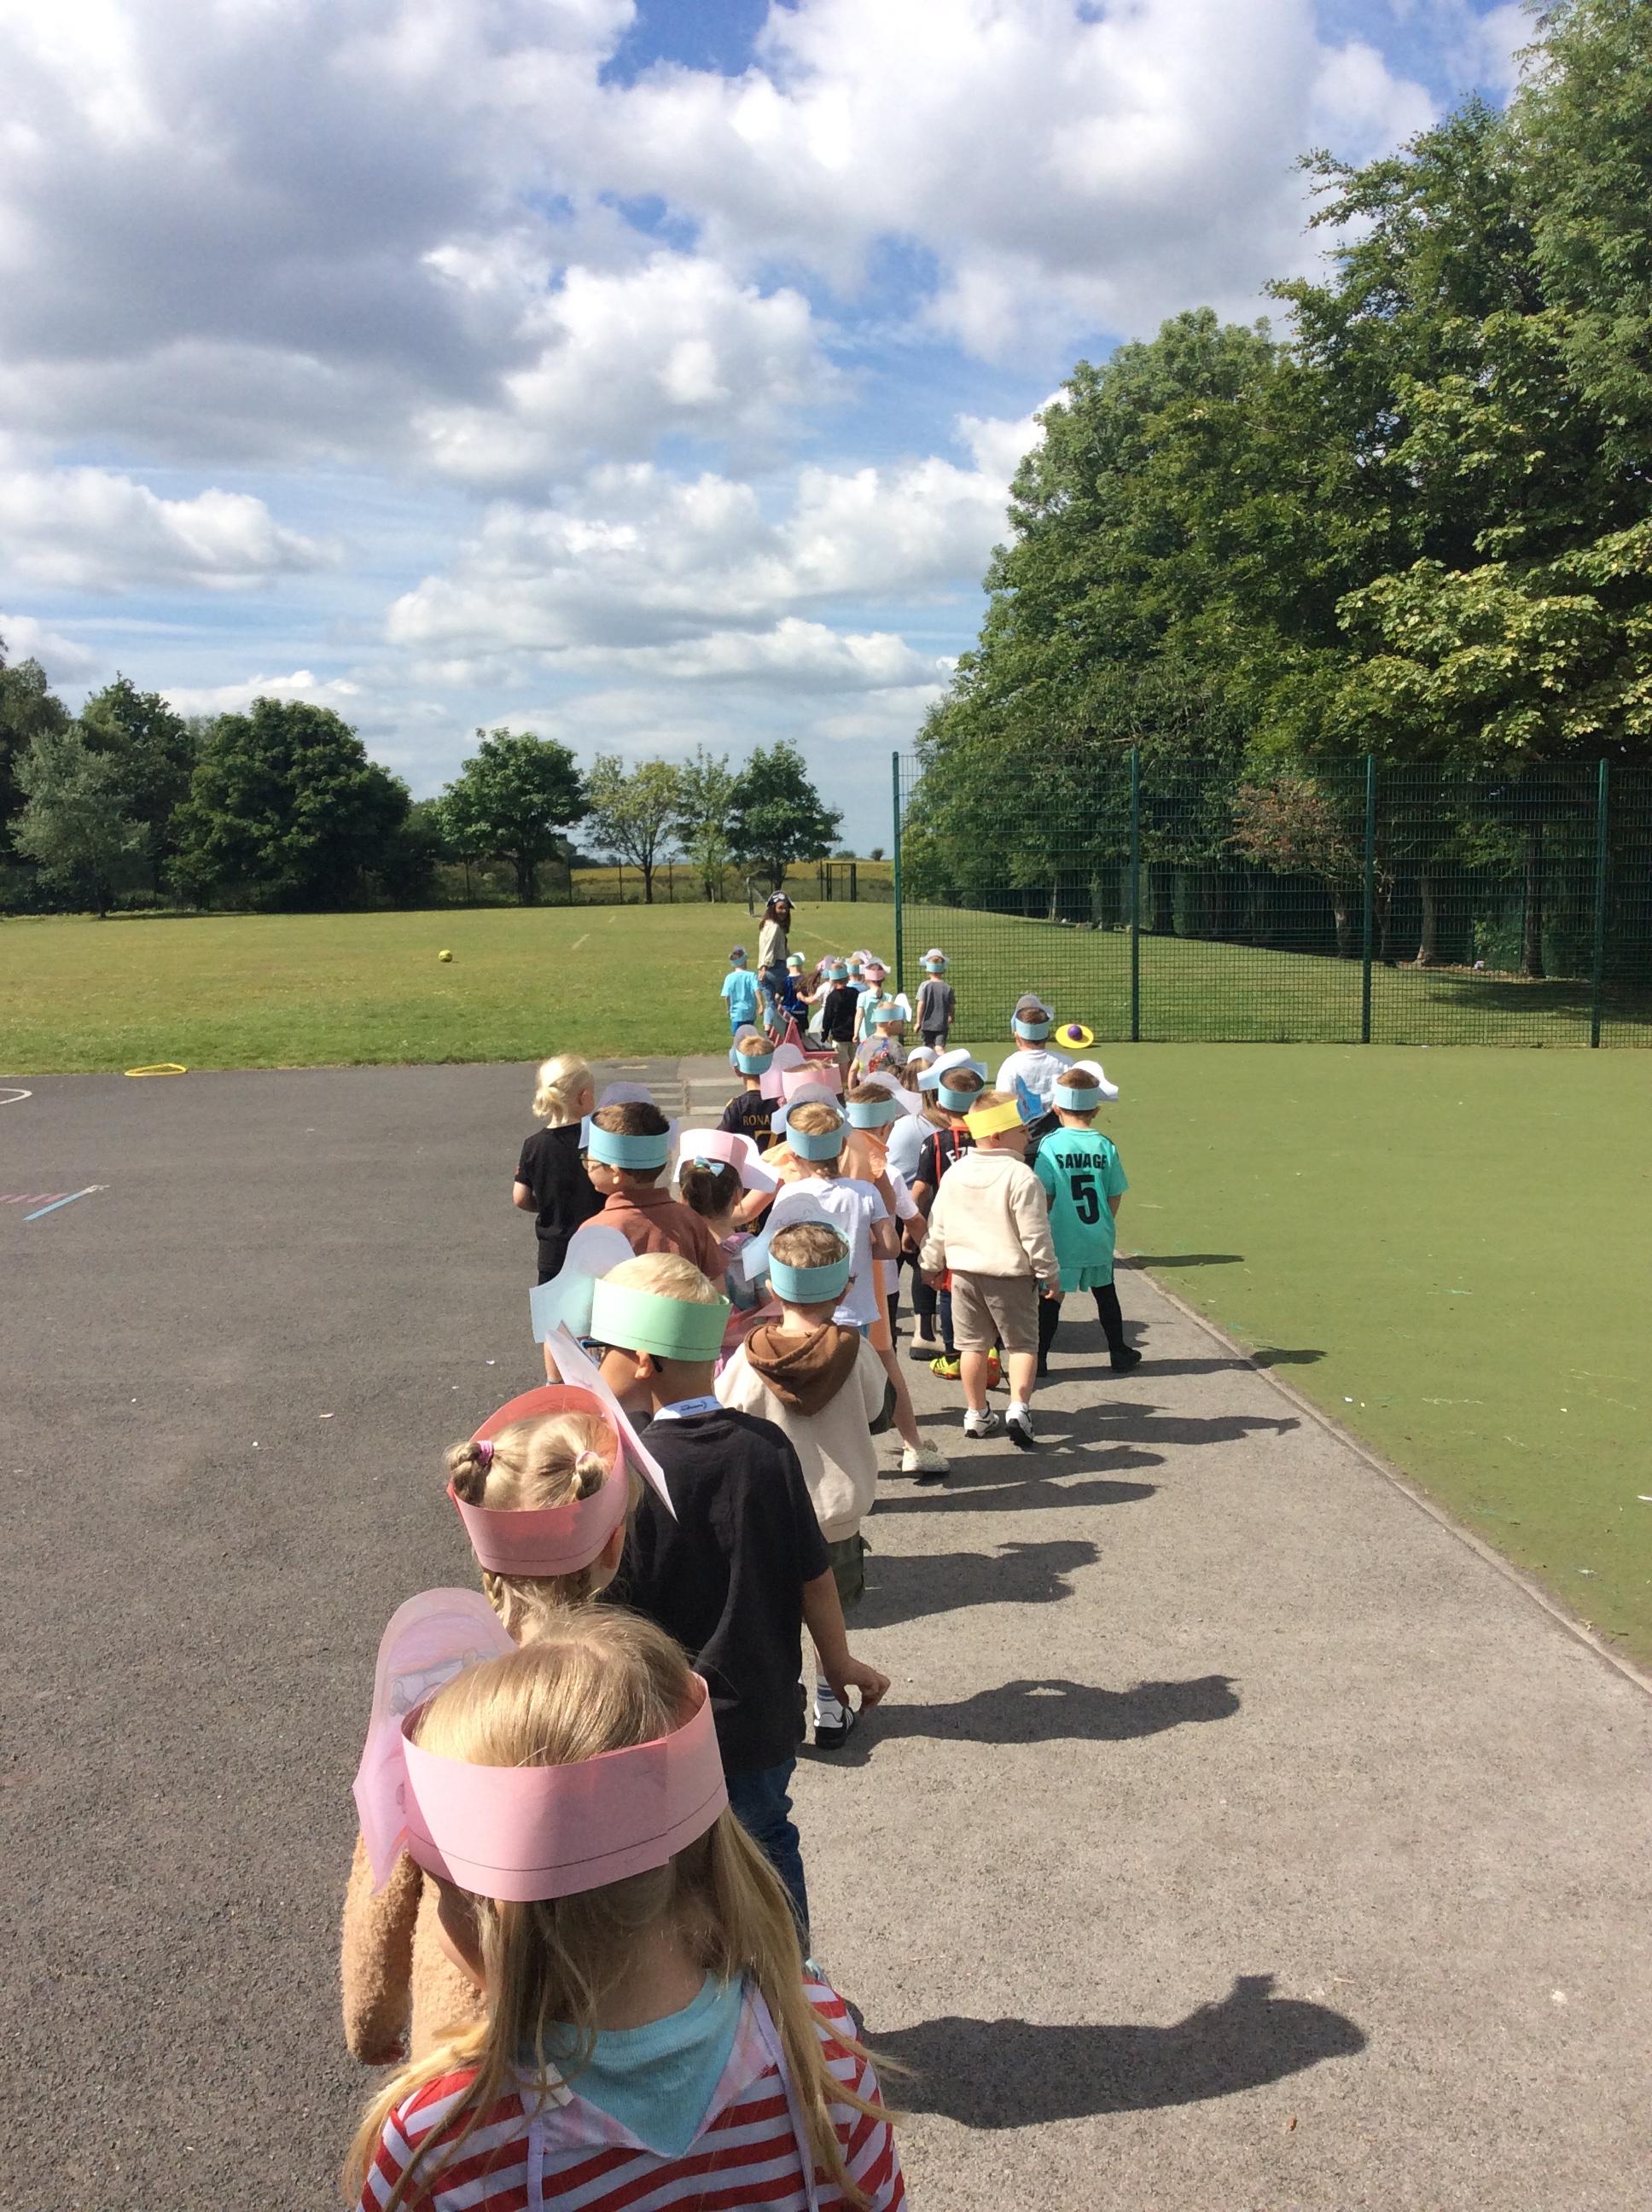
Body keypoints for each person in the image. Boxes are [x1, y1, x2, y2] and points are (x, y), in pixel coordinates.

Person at [346, 1612, 905, 2212]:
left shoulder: (441, 2152)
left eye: (441, 1893)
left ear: (487, 1919)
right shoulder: (817, 2044)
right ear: (702, 1855)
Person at [340, 1394, 639, 2068]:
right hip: (615, 2027)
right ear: (613, 1545)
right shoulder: (636, 1691)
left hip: (466, 2038)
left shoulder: (431, 1694)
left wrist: (372, 2015)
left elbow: (384, 1871)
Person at [597, 1254, 889, 1937]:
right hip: (760, 1711)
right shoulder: (765, 1448)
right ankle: (795, 1976)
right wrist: (838, 1662)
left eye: (601, 1349)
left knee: (674, 1863)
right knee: (768, 1839)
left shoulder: (627, 1473)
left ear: (641, 1361)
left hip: (663, 1718)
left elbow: (607, 1609)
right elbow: (814, 1575)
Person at [717, 1219, 893, 1751]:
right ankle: (830, 1705)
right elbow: (878, 1412)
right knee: (829, 1615)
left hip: (767, 1515)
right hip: (836, 1513)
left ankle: (781, 1701)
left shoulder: (748, 1359)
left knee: (775, 1617)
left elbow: (726, 1417)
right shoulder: (855, 1352)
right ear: (845, 1287)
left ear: (772, 1286)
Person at [765, 1098, 947, 1481]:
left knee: (809, 1391)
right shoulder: (864, 1193)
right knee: (853, 1392)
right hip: (855, 1309)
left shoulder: (789, 1195)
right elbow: (890, 1248)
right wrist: (859, 1251)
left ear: (795, 1154)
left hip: (802, 1311)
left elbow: (773, 1249)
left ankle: (811, 1470)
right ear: (842, 1146)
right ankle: (866, 1465)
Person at [920, 1088, 1060, 1452]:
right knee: (1023, 1344)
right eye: (1021, 1130)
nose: (1027, 1136)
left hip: (964, 1274)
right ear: (997, 1135)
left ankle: (976, 1412)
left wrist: (930, 1264)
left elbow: (938, 1225)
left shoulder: (956, 1173)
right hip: (1011, 1274)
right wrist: (1048, 1272)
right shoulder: (1021, 1176)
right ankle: (1019, 1407)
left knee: (971, 1346)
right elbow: (1035, 1233)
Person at [1033, 1061, 1142, 1376]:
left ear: (1056, 1108)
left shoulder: (1050, 1145)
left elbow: (1044, 1193)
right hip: (1097, 1234)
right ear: (1096, 1110)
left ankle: (1039, 1358)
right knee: (1106, 1292)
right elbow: (1115, 1192)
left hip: (1062, 1235)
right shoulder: (1104, 1145)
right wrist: (1106, 1222)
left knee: (1052, 1295)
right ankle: (1118, 1351)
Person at [588, 1100, 727, 1284]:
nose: (586, 1166)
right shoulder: (690, 1220)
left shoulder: (595, 1230)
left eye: (589, 1161)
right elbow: (718, 1287)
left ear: (615, 1173)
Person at [910, 1054, 986, 1380]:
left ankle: (954, 1352)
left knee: (949, 1288)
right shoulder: (991, 1139)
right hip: (988, 1224)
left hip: (950, 1227)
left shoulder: (935, 1142)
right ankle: (989, 1350)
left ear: (940, 1106)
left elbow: (921, 1189)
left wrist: (910, 1226)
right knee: (986, 1288)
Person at [512, 1054, 602, 1284]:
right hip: (597, 1244)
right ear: (584, 1096)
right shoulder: (598, 1141)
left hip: (553, 1251)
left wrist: (547, 1205)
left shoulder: (533, 1145)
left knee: (554, 1307)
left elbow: (520, 1198)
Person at [996, 993, 1073, 1156]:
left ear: (1017, 1035)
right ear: (1047, 1034)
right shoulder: (1066, 1062)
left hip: (1025, 1143)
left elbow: (1003, 1104)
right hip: (1060, 1143)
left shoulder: (1011, 1065)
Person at [718, 1028, 779, 1150]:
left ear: (738, 1070)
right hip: (778, 1162)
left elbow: (719, 1141)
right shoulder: (782, 1104)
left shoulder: (737, 1107)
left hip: (747, 1162)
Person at [757, 891, 794, 1027]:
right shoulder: (775, 927)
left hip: (765, 972)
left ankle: (768, 1029)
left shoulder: (766, 924)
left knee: (770, 1003)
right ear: (773, 908)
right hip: (775, 968)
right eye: (780, 908)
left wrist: (762, 968)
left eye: (786, 908)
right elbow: (769, 947)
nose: (784, 911)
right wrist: (764, 966)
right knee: (791, 993)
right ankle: (788, 1028)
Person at [818, 959, 861, 1078]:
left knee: (842, 1064)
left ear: (832, 980)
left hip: (839, 1037)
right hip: (853, 1035)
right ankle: (853, 1083)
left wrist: (824, 1035)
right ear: (847, 977)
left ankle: (844, 1084)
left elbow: (828, 1018)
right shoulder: (855, 993)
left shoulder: (832, 997)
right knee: (854, 1063)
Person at [852, 997, 910, 1083]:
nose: (903, 1024)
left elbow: (852, 1071)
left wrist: (853, 1090)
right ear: (891, 1024)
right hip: (886, 1090)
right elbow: (905, 1075)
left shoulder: (864, 1044)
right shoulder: (895, 1046)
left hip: (864, 1089)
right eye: (901, 1021)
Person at [915, 951, 955, 1051]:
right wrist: (951, 1016)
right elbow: (952, 1006)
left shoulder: (924, 986)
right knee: (940, 1048)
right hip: (942, 1024)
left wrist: (918, 1022)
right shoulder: (947, 987)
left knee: (928, 1049)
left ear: (928, 970)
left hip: (926, 1025)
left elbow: (921, 1004)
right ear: (943, 970)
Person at [720, 945, 759, 1036]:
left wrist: (728, 1009)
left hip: (736, 1014)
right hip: (750, 1013)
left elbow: (727, 996)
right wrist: (761, 1005)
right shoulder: (751, 975)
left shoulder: (729, 978)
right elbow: (757, 990)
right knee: (750, 1037)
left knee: (738, 1038)